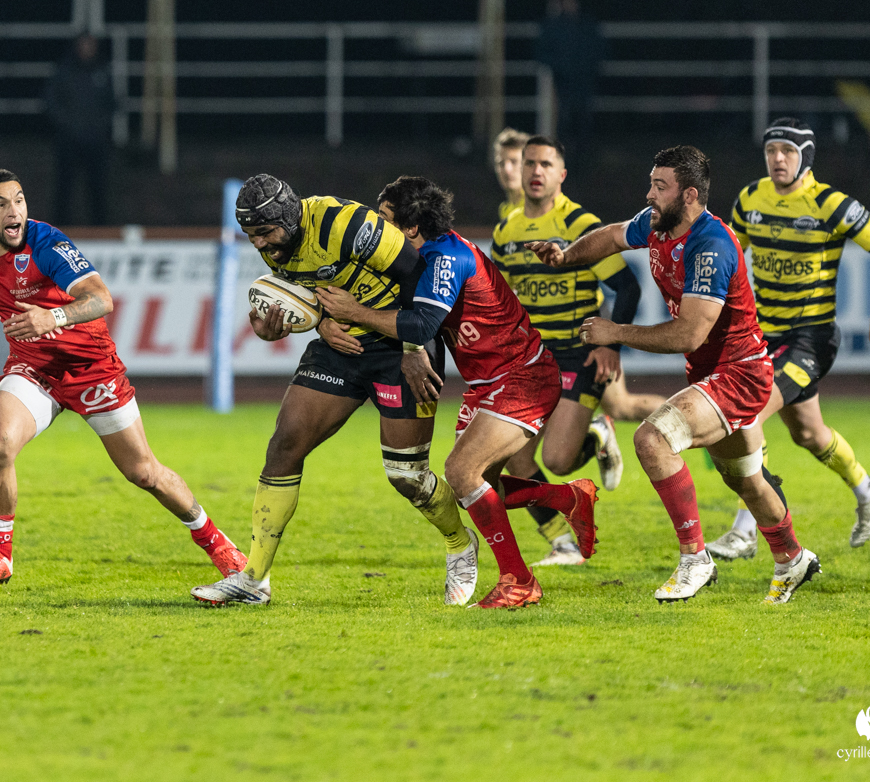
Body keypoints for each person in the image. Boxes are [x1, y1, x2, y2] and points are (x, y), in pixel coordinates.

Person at [0, 168, 245, 589]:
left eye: (19, 199)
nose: (14, 210)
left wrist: (52, 315)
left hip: (91, 368)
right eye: (1, 204)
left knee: (143, 472)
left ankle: (219, 545)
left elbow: (101, 298)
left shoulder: (47, 243)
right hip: (34, 370)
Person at [534, 146, 821, 604]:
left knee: (652, 439)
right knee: (745, 478)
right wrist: (566, 256)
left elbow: (689, 333)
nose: (648, 194)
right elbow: (609, 237)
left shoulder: (711, 245)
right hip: (712, 374)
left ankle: (694, 559)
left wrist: (615, 332)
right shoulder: (658, 222)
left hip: (738, 375)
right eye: (651, 183)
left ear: (689, 195)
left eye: (659, 186)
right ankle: (792, 558)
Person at [190, 174, 479, 607]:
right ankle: (254, 578)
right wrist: (311, 323)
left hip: (401, 345)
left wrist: (415, 347)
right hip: (341, 345)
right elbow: (312, 295)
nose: (260, 246)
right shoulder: (279, 246)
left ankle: (460, 544)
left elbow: (417, 273)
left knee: (407, 475)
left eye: (266, 233)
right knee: (284, 445)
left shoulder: (344, 224)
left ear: (289, 217)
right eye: (251, 237)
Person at [315, 176, 599, 609]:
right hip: (487, 383)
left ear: (411, 228)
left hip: (522, 375)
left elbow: (422, 324)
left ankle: (519, 581)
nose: (376, 226)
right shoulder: (419, 257)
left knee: (461, 474)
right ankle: (568, 497)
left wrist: (354, 312)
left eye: (386, 218)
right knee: (476, 490)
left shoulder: (445, 256)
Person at [709, 118, 870, 558]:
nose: (778, 159)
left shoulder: (829, 204)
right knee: (810, 435)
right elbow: (730, 261)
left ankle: (745, 531)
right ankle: (868, 488)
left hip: (811, 340)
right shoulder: (750, 199)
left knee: (748, 415)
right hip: (765, 336)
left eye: (788, 152)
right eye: (771, 150)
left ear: (806, 157)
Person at [490, 135, 660, 565]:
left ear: (561, 175)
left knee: (559, 461)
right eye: (529, 163)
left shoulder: (579, 225)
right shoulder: (505, 231)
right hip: (530, 358)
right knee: (514, 457)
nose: (535, 171)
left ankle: (596, 433)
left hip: (574, 353)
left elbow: (626, 285)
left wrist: (610, 342)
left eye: (545, 164)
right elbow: (500, 298)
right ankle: (561, 542)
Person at [45, 33, 114, 226]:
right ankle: (58, 229)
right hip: (69, 139)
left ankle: (100, 229)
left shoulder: (102, 70)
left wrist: (100, 125)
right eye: (84, 45)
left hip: (96, 140)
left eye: (91, 45)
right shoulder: (65, 70)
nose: (87, 49)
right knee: (64, 188)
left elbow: (112, 102)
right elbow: (51, 101)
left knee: (98, 188)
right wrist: (68, 124)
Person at [535, 0, 604, 163]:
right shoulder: (557, 25)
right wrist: (559, 67)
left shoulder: (585, 24)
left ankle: (581, 155)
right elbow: (541, 51)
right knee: (565, 117)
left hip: (583, 77)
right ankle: (567, 155)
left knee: (583, 117)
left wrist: (591, 66)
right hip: (565, 78)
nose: (570, 5)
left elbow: (599, 48)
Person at [492, 127, 530, 221]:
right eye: (501, 163)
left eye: (514, 162)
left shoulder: (540, 208)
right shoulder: (505, 209)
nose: (507, 169)